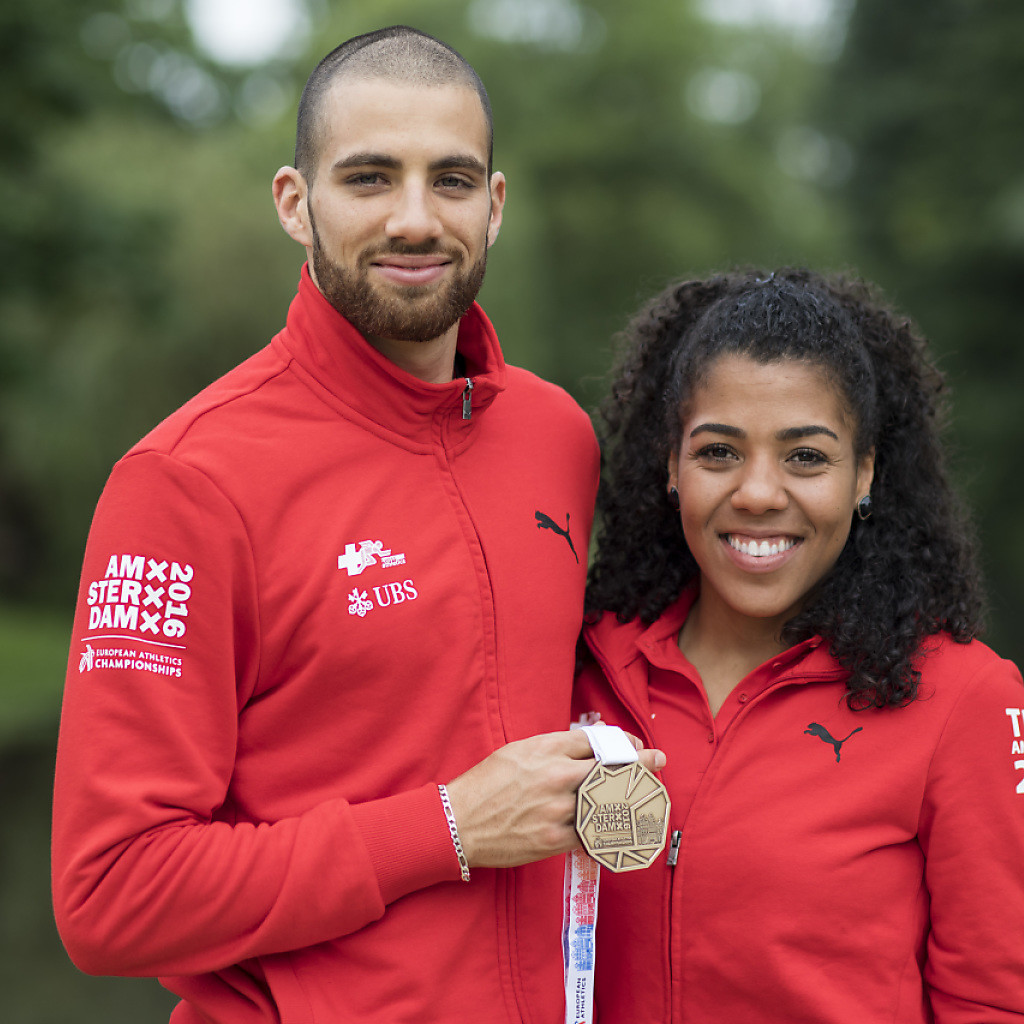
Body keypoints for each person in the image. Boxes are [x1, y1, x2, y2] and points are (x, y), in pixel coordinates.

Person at [51, 26, 661, 1024]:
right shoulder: (183, 483)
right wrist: (449, 827)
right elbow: (110, 895)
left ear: (494, 207)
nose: (415, 219)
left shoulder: (557, 437)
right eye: (370, 178)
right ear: (296, 202)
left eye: (452, 180)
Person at [575, 268, 1024, 1022]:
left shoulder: (968, 700)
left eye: (805, 457)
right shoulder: (584, 669)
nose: (757, 492)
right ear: (670, 467)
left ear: (864, 474)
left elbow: (997, 999)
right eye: (718, 451)